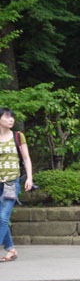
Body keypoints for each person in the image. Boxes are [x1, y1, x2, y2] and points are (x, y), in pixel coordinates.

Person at [0, 108, 33, 263]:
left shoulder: (18, 136)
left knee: (2, 217)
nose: (11, 120)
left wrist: (29, 178)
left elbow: (26, 158)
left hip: (11, 183)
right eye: (7, 117)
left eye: (12, 117)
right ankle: (11, 249)